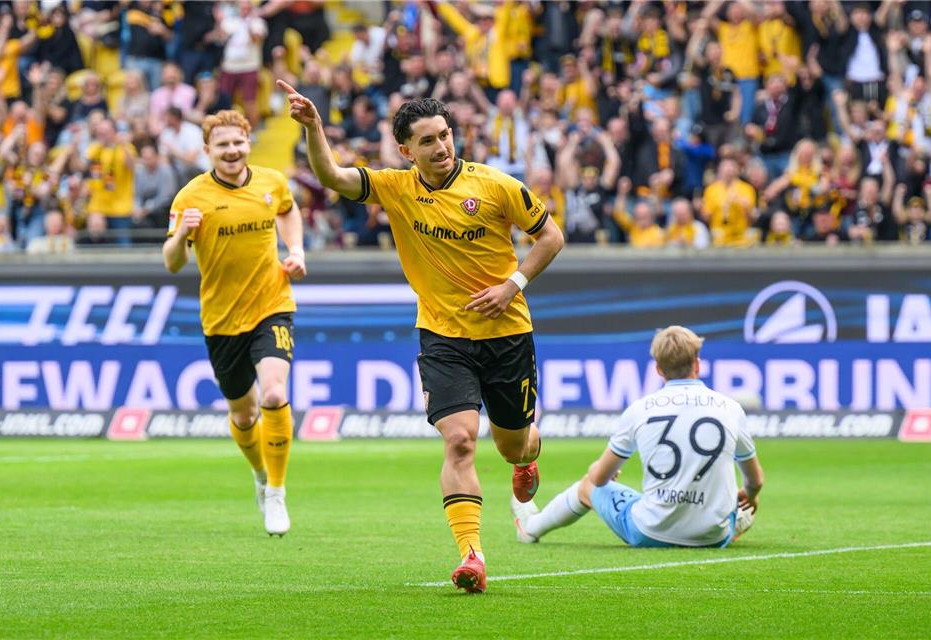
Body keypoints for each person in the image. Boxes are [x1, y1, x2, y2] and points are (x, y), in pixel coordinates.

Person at [279, 81, 564, 593]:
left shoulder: (496, 186)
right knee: (458, 441)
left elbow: (551, 236)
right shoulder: (395, 186)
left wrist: (512, 284)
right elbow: (333, 177)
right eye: (428, 141)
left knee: (514, 446)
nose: (442, 147)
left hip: (508, 333)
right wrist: (315, 128)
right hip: (442, 336)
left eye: (446, 135)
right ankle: (473, 555)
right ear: (406, 151)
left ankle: (527, 460)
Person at [162, 110, 307, 537]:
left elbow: (288, 208)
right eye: (222, 145)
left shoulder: (270, 182)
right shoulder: (191, 197)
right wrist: (178, 236)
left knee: (275, 392)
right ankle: (261, 475)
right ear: (208, 151)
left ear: (248, 143)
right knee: (243, 416)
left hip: (272, 304)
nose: (232, 151)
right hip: (222, 319)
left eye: (238, 142)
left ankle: (278, 492)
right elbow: (172, 265)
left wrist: (295, 249)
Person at [512, 326, 764, 549]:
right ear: (697, 364)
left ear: (658, 369)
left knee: (589, 483)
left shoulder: (640, 409)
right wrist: (750, 495)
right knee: (738, 504)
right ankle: (729, 521)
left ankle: (531, 527)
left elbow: (599, 479)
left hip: (650, 531)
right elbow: (756, 481)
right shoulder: (730, 408)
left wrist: (600, 472)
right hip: (713, 536)